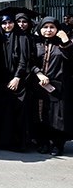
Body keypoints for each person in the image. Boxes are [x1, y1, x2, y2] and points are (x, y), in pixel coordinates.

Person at [0, 8, 32, 151]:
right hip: (1, 82)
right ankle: (2, 142)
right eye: (4, 23)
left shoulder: (22, 37)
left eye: (10, 22)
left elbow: (24, 60)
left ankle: (18, 143)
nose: (7, 26)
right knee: (1, 112)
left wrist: (17, 77)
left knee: (18, 113)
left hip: (17, 82)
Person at [30, 17, 72, 156]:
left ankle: (57, 145)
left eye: (52, 27)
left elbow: (70, 58)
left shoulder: (63, 43)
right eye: (45, 27)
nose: (48, 30)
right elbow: (30, 62)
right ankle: (43, 143)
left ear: (57, 29)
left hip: (59, 86)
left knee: (57, 117)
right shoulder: (36, 43)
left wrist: (66, 41)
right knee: (41, 115)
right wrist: (39, 74)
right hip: (40, 85)